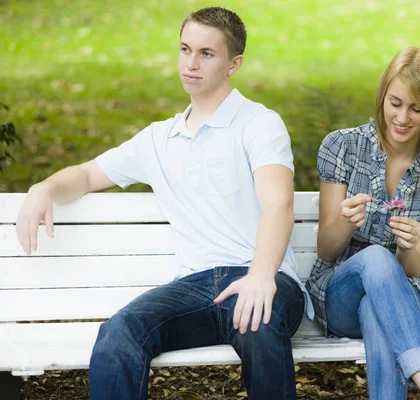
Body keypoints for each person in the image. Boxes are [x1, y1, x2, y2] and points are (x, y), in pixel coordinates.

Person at [15, 7, 313, 400]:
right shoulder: (158, 139)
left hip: (265, 278)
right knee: (119, 332)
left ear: (234, 63)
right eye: (185, 49)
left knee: (256, 323)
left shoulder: (259, 123)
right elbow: (87, 175)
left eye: (206, 53)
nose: (191, 63)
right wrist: (44, 188)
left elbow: (279, 206)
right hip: (193, 287)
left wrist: (260, 276)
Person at [306, 47, 420, 400]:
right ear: (382, 96)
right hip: (340, 293)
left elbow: (411, 269)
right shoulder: (343, 147)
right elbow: (327, 249)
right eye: (395, 103)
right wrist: (346, 223)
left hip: (408, 297)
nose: (403, 118)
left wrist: (411, 245)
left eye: (417, 109)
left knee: (376, 309)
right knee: (376, 258)